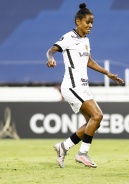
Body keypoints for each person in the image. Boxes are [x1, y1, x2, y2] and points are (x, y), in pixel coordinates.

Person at [46, 3, 124, 168]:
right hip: (72, 86)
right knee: (98, 116)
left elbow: (89, 61)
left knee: (94, 122)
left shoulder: (86, 40)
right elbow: (51, 50)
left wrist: (107, 73)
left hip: (82, 87)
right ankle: (82, 154)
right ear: (78, 21)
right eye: (87, 22)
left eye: (92, 23)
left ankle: (64, 146)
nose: (90, 26)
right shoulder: (68, 37)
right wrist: (51, 58)